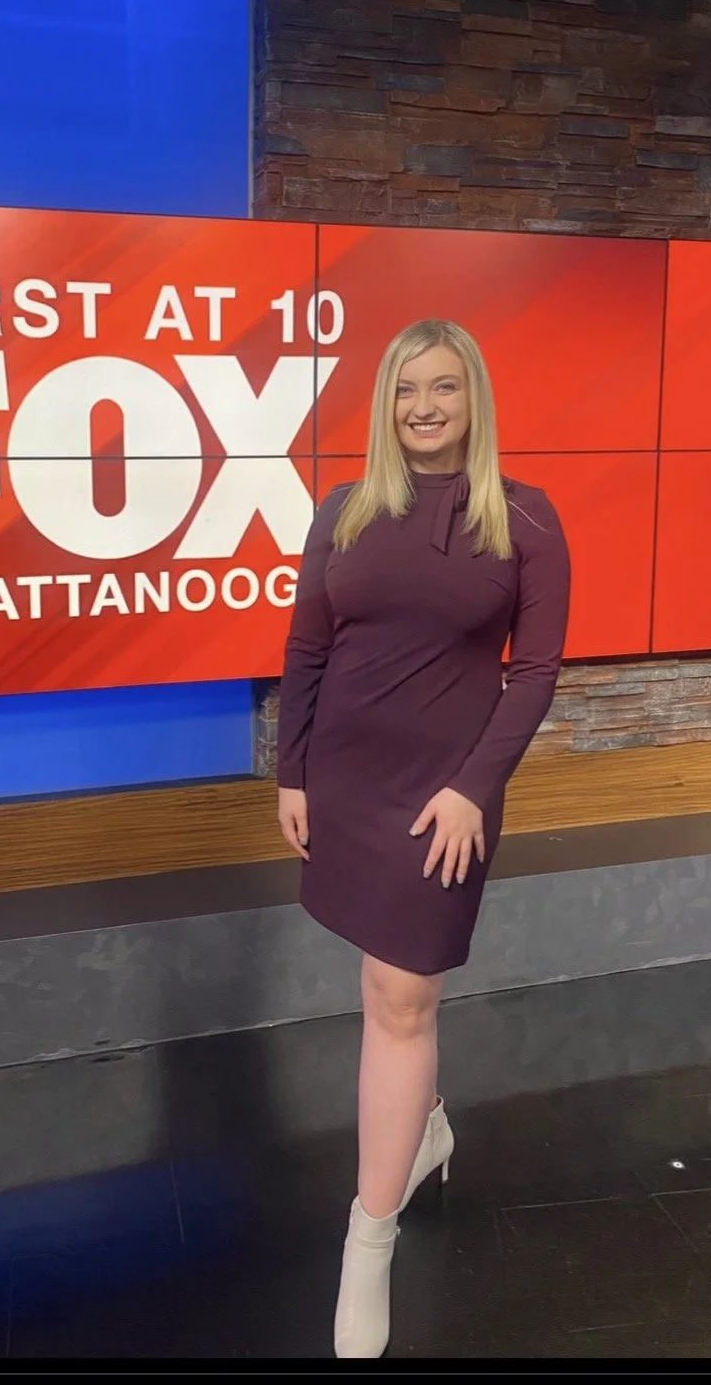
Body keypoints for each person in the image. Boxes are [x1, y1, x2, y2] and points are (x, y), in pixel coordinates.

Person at [275, 318, 571, 1359]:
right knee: (379, 987)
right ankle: (426, 1126)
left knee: (402, 996)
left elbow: (534, 671)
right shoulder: (344, 510)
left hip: (444, 800)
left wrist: (473, 789)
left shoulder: (523, 518)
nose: (423, 407)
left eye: (443, 387)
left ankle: (369, 1239)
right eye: (406, 389)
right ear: (385, 404)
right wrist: (291, 770)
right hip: (346, 781)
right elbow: (306, 650)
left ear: (472, 398)